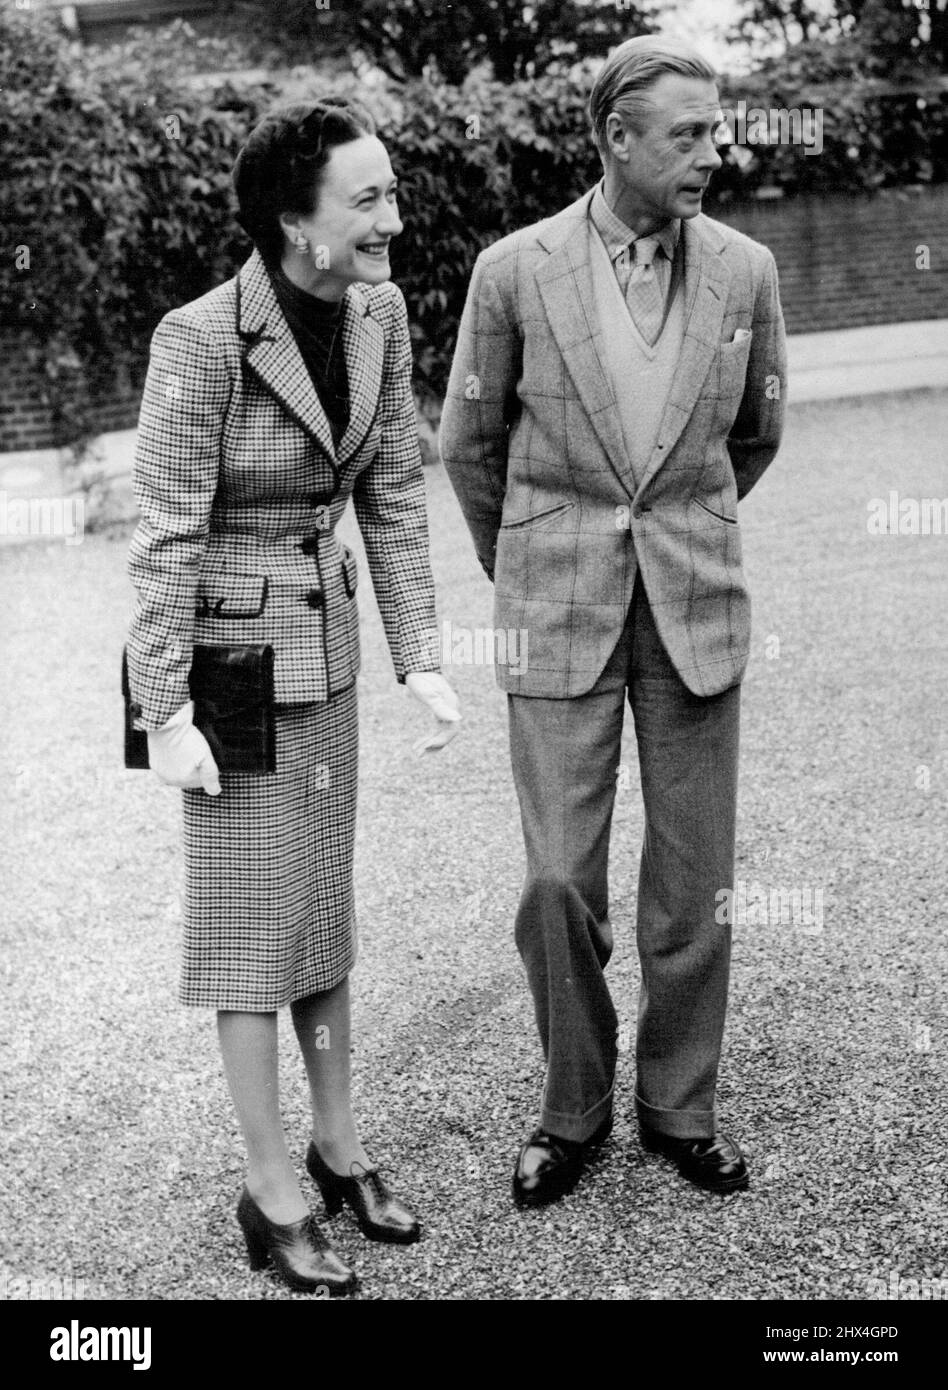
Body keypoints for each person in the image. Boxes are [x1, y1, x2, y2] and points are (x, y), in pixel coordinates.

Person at [440, 36, 786, 1208]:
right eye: (686, 135)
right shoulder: (512, 271)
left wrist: (679, 530)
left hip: (694, 607)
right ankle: (571, 1108)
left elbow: (756, 436)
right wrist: (533, 563)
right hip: (554, 613)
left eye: (716, 130)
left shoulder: (745, 270)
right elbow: (467, 447)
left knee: (694, 884)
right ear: (615, 139)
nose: (711, 154)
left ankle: (679, 1106)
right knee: (556, 884)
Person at [125, 98, 461, 1294]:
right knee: (244, 940)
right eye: (366, 199)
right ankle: (271, 1195)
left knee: (322, 919)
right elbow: (164, 535)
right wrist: (162, 712)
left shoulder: (379, 314)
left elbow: (399, 496)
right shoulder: (200, 339)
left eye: (390, 192)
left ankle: (338, 1145)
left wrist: (421, 649)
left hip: (329, 652)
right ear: (293, 221)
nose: (393, 219)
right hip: (226, 673)